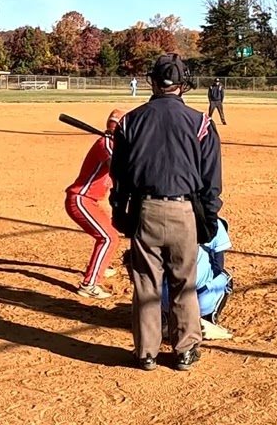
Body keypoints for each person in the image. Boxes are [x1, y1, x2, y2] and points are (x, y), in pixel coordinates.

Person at [110, 52, 223, 372]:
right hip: (185, 210)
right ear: (183, 85)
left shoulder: (130, 121)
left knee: (146, 284)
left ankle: (147, 353)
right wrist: (209, 218)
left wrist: (121, 212)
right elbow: (211, 180)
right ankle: (185, 350)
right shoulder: (201, 124)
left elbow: (119, 178)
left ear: (153, 82)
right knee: (183, 283)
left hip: (146, 209)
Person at [65, 109, 126, 299]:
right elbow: (116, 166)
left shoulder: (115, 144)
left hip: (91, 201)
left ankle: (99, 266)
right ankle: (89, 285)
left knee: (110, 235)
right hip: (81, 199)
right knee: (108, 238)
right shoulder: (106, 143)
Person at [159, 216, 233, 340]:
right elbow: (218, 266)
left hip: (169, 299)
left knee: (163, 277)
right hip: (202, 302)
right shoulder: (214, 222)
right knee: (226, 277)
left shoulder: (168, 219)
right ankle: (208, 319)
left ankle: (166, 318)